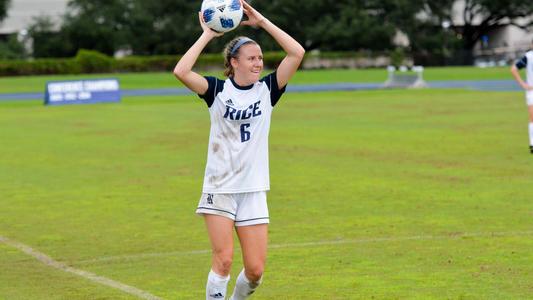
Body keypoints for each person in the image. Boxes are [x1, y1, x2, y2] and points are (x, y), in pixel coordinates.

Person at [173, 1, 305, 299]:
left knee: (255, 271)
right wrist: (208, 33)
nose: (259, 63)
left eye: (260, 58)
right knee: (223, 260)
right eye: (251, 58)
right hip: (220, 186)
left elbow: (297, 53)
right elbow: (181, 71)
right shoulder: (216, 91)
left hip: (253, 189)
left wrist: (262, 22)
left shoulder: (267, 90)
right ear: (234, 62)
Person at [510, 38, 533, 153]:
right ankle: (532, 144)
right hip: (532, 91)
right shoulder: (528, 57)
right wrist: (523, 84)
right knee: (532, 116)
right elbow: (514, 69)